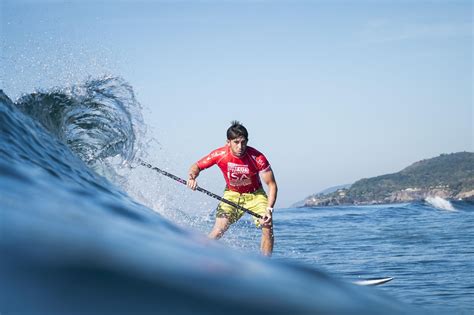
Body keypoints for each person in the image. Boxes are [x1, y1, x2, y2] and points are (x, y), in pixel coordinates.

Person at [187, 121, 278, 256]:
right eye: (236, 142)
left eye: (243, 142)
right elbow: (196, 166)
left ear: (247, 141)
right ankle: (196, 254)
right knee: (219, 229)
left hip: (256, 195)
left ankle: (266, 265)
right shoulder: (220, 154)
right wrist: (192, 177)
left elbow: (272, 185)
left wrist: (269, 210)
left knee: (267, 225)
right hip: (232, 194)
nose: (240, 146)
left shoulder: (257, 157)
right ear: (228, 142)